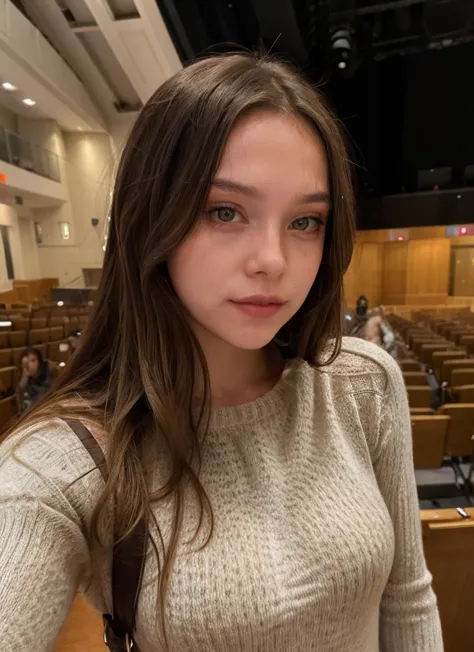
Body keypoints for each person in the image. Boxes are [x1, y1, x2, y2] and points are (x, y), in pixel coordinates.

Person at [0, 54, 442, 652]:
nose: (274, 260)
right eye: (225, 211)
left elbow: (407, 599)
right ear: (151, 216)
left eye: (306, 221)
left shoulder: (363, 385)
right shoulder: (69, 461)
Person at [15, 347, 55, 414]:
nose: (30, 365)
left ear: (39, 362)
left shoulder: (49, 374)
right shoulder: (24, 382)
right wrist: (23, 382)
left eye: (33, 361)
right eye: (26, 363)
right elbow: (21, 408)